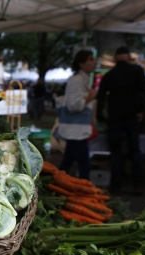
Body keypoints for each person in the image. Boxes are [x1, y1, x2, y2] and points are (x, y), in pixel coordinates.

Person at [96, 46, 145, 195]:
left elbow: (101, 96)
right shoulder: (137, 70)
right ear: (128, 56)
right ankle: (138, 185)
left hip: (115, 117)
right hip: (132, 116)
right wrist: (140, 109)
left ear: (115, 58)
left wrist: (101, 116)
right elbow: (144, 90)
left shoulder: (111, 74)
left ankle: (115, 185)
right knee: (135, 151)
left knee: (115, 152)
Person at [57, 50, 97, 180]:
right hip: (76, 129)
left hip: (77, 129)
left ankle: (55, 184)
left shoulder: (83, 80)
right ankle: (85, 192)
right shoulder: (77, 81)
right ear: (81, 63)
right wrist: (90, 97)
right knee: (84, 164)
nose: (94, 62)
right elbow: (73, 106)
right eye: (90, 59)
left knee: (67, 163)